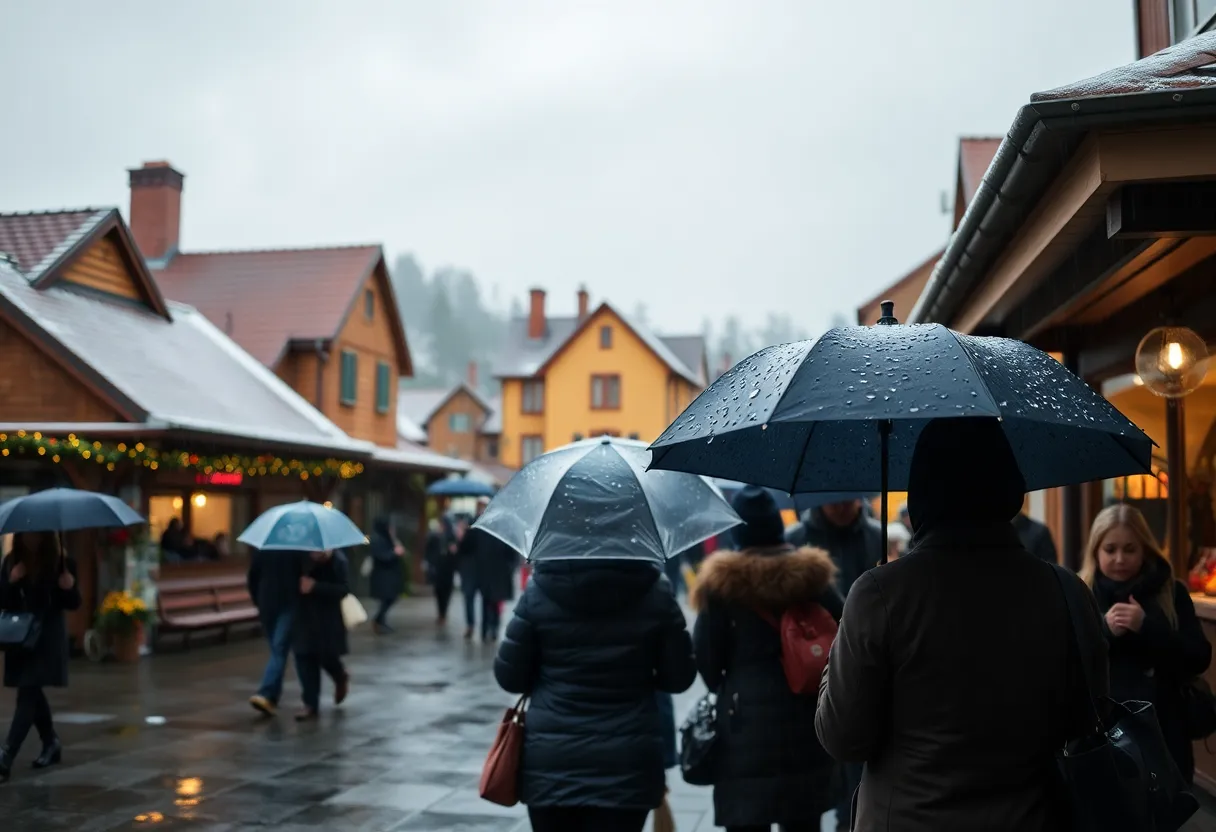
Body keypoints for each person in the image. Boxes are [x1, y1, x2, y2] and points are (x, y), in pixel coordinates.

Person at [815, 417, 1107, 832]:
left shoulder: (881, 595)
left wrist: (849, 629)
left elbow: (842, 736)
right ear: (1011, 488)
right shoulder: (1067, 591)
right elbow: (1086, 717)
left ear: (921, 496)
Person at [493, 557, 696, 832]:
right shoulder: (655, 591)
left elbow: (510, 677)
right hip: (627, 764)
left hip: (552, 763)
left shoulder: (539, 590)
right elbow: (679, 678)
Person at [692, 486, 841, 832]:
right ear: (777, 525)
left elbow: (709, 666)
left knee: (747, 820)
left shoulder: (721, 588)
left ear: (737, 531)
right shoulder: (814, 578)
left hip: (744, 730)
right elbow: (845, 631)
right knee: (803, 822)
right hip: (808, 720)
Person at [1081, 503, 1211, 782]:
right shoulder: (1082, 593)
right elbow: (1065, 661)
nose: (1119, 559)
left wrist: (1147, 628)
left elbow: (1199, 657)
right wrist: (1104, 630)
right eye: (1110, 549)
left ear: (1145, 550)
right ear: (1096, 551)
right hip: (1103, 733)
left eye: (1130, 549)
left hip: (1165, 732)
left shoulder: (1171, 592)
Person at [785, 496, 881, 825]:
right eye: (834, 498)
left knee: (856, 773)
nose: (841, 505)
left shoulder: (875, 535)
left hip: (863, 668)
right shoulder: (796, 541)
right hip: (810, 669)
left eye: (849, 497)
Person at [0, 532, 81, 782]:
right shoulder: (12, 562)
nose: (31, 540)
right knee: (31, 691)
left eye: (36, 536)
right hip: (20, 637)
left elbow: (73, 603)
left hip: (46, 637)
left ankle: (6, 755)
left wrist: (68, 588)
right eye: (26, 536)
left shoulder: (61, 562)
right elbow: (3, 600)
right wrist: (12, 581)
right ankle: (50, 742)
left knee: (28, 691)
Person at [293, 549, 351, 722]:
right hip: (303, 615)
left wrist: (316, 587)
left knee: (327, 656)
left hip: (327, 619)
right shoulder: (300, 558)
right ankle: (310, 704)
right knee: (304, 656)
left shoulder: (338, 560)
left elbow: (344, 589)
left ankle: (340, 675)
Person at [247, 548, 306, 716]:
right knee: (278, 649)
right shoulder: (299, 552)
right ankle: (268, 694)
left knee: (277, 649)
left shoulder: (263, 549)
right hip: (288, 603)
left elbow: (252, 577)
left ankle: (269, 694)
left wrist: (257, 600)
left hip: (267, 603)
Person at [368, 516, 405, 635]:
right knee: (387, 598)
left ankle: (381, 621)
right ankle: (379, 620)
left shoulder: (387, 538)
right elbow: (382, 556)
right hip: (383, 576)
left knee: (390, 598)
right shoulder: (377, 539)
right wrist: (394, 553)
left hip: (389, 575)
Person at [424, 516, 458, 626]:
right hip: (438, 568)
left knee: (447, 592)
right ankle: (440, 613)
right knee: (439, 591)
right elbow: (428, 551)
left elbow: (457, 552)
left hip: (448, 569)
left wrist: (454, 551)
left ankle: (444, 612)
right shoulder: (434, 536)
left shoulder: (451, 536)